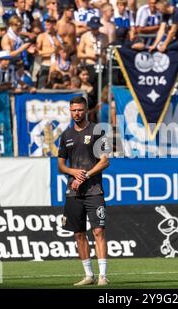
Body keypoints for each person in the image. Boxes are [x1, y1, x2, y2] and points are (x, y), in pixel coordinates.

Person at [57, 96, 110, 286]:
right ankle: (89, 275)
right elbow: (61, 166)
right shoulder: (66, 135)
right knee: (78, 233)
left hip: (94, 190)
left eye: (79, 109)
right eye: (73, 110)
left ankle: (103, 276)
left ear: (86, 109)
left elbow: (105, 161)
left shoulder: (98, 131)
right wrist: (74, 172)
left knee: (98, 231)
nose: (76, 113)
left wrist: (85, 175)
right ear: (70, 111)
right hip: (74, 192)